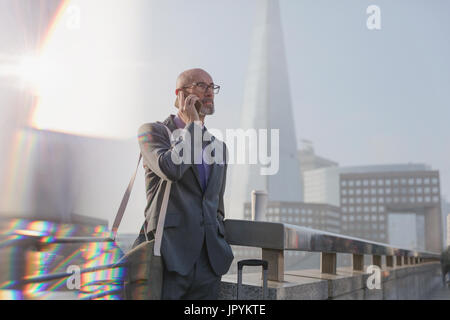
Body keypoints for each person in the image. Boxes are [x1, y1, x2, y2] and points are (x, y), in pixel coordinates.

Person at [135, 68, 234, 299]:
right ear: (180, 95)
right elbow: (171, 168)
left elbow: (216, 203)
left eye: (212, 87)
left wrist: (218, 240)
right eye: (201, 86)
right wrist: (193, 127)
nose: (209, 92)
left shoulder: (219, 148)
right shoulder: (153, 131)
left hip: (209, 262)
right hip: (168, 256)